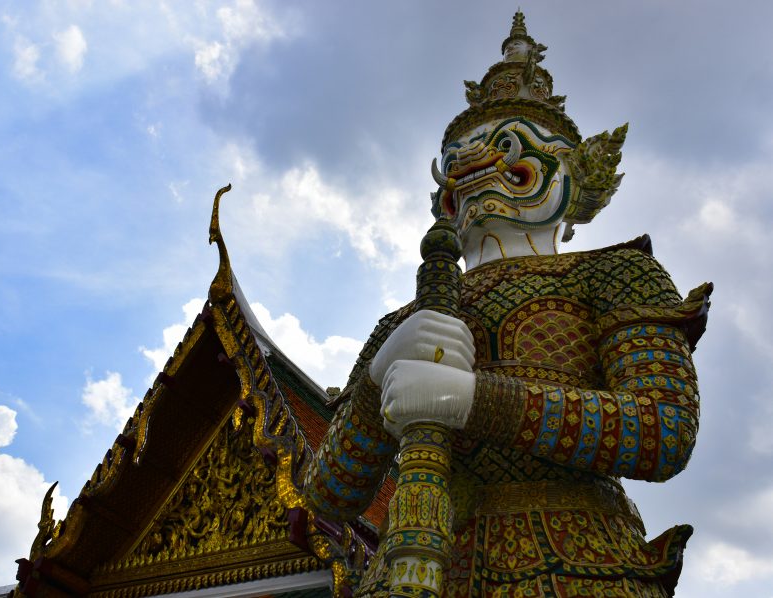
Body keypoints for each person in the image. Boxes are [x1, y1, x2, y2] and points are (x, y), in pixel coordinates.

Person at [304, 11, 711, 597]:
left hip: (575, 561)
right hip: (418, 565)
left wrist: (473, 399)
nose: (475, 166)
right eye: (459, 158)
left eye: (507, 147)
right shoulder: (406, 323)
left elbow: (663, 430)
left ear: (572, 176)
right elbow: (329, 495)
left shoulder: (614, 274)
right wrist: (374, 382)